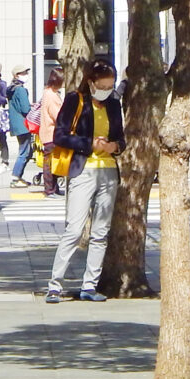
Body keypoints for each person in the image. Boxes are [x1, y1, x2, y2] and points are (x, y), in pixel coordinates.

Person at [45, 59, 127, 303]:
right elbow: (60, 135)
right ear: (91, 83)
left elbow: (120, 138)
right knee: (74, 228)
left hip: (109, 170)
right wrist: (88, 144)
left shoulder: (113, 104)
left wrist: (115, 146)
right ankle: (54, 285)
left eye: (111, 86)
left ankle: (89, 285)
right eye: (103, 85)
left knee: (101, 232)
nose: (107, 91)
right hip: (83, 170)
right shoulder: (75, 100)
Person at [36, 67, 67, 196]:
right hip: (51, 132)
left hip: (49, 132)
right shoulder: (52, 95)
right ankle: (50, 189)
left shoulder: (48, 92)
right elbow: (57, 114)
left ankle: (53, 188)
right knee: (49, 162)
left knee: (53, 160)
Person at [7, 67, 36, 187]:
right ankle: (16, 177)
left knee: (26, 151)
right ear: (16, 76)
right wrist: (32, 108)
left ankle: (19, 176)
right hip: (23, 124)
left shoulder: (12, 89)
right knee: (24, 151)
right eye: (23, 73)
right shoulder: (21, 90)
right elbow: (25, 109)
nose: (26, 75)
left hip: (16, 124)